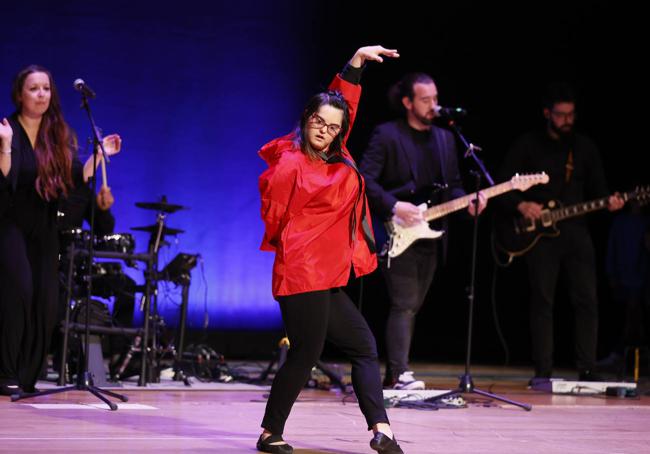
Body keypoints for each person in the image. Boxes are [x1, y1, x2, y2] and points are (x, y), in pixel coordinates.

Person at [257, 46, 403, 454]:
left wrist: (354, 63)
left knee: (362, 346)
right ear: (305, 120)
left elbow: (346, 104)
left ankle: (382, 430)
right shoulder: (290, 165)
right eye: (317, 121)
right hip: (303, 272)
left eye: (333, 126)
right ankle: (269, 434)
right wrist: (307, 241)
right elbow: (275, 219)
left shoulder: (338, 154)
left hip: (329, 273)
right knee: (306, 354)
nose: (324, 129)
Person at [360, 72, 486, 390]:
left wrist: (468, 202)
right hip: (396, 230)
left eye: (435, 99)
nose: (434, 105)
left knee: (412, 304)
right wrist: (393, 205)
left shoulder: (445, 139)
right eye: (425, 99)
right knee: (404, 302)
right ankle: (400, 373)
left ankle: (395, 372)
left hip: (429, 233)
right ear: (407, 102)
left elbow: (454, 186)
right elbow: (364, 179)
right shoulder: (387, 135)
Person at [0, 65, 120, 396]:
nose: (41, 94)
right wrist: (5, 146)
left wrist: (99, 157)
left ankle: (27, 375)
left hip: (45, 225)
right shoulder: (6, 129)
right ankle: (5, 370)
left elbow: (73, 178)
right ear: (19, 94)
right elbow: (6, 181)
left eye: (46, 89)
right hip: (10, 222)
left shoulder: (60, 134)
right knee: (20, 291)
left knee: (46, 302)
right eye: (34, 89)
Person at [495, 82, 625, 382]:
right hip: (538, 235)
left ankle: (587, 368)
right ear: (547, 114)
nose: (566, 120)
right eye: (560, 115)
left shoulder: (585, 148)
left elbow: (600, 190)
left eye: (571, 115)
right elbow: (501, 184)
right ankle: (543, 370)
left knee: (587, 300)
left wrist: (613, 201)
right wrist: (521, 204)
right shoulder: (527, 145)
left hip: (576, 233)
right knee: (543, 300)